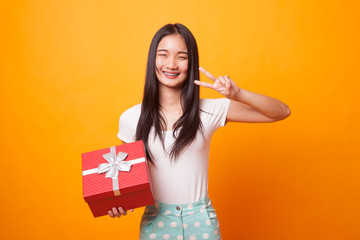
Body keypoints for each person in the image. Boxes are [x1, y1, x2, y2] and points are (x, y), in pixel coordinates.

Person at [108, 23, 291, 240]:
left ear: (191, 63)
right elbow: (125, 184)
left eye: (182, 57)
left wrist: (237, 93)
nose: (171, 64)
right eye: (163, 55)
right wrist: (117, 204)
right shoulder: (131, 118)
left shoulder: (209, 110)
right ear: (152, 60)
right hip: (156, 225)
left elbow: (281, 112)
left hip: (202, 222)